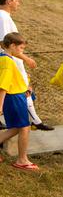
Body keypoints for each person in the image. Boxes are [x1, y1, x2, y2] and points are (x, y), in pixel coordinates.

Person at [0, 33, 37, 171]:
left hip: (17, 95)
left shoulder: (5, 58)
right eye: (21, 48)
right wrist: (0, 104)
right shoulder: (7, 61)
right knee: (24, 128)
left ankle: (22, 159)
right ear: (12, 46)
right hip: (13, 98)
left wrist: (23, 87)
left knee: (16, 127)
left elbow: (10, 80)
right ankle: (22, 160)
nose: (22, 52)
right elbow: (3, 85)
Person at [0, 0, 37, 69]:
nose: (18, 4)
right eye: (17, 1)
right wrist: (26, 59)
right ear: (9, 2)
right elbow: (4, 44)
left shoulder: (4, 16)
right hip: (8, 63)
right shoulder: (2, 16)